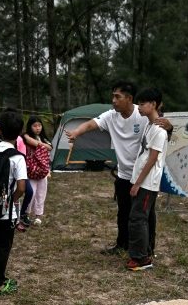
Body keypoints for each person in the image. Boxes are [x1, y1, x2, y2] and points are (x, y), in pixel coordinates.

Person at [65, 80, 171, 255]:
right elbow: (91, 124)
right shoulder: (110, 116)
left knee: (145, 215)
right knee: (123, 213)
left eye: (117, 96)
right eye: (112, 96)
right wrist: (77, 132)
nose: (113, 100)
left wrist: (170, 126)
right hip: (123, 174)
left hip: (143, 177)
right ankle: (122, 244)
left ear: (129, 98)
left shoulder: (142, 113)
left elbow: (161, 129)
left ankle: (148, 248)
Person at [0, 110, 27, 295]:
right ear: (20, 132)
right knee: (4, 246)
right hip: (6, 211)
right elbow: (22, 187)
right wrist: (12, 199)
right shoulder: (17, 157)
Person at [126, 88, 167, 271]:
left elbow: (152, 159)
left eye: (143, 104)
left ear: (154, 105)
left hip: (147, 182)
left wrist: (137, 183)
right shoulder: (149, 126)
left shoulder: (160, 131)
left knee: (138, 218)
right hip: (141, 179)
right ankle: (146, 252)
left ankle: (141, 258)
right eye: (139, 104)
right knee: (143, 218)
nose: (139, 107)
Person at [22, 115, 52, 226]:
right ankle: (26, 213)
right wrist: (44, 146)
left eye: (39, 125)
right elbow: (46, 147)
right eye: (35, 126)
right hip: (32, 170)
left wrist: (43, 145)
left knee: (41, 193)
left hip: (43, 170)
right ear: (30, 126)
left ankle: (38, 215)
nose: (38, 128)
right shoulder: (26, 137)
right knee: (32, 192)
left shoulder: (42, 138)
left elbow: (50, 147)